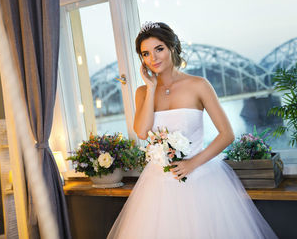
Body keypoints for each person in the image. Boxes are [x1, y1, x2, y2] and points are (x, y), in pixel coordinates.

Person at [107, 22, 277, 239]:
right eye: (145, 53)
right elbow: (141, 132)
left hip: (200, 179)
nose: (153, 58)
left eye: (159, 49)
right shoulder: (142, 92)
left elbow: (227, 134)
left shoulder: (199, 85)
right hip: (157, 185)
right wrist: (150, 88)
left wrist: (191, 164)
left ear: (172, 48)